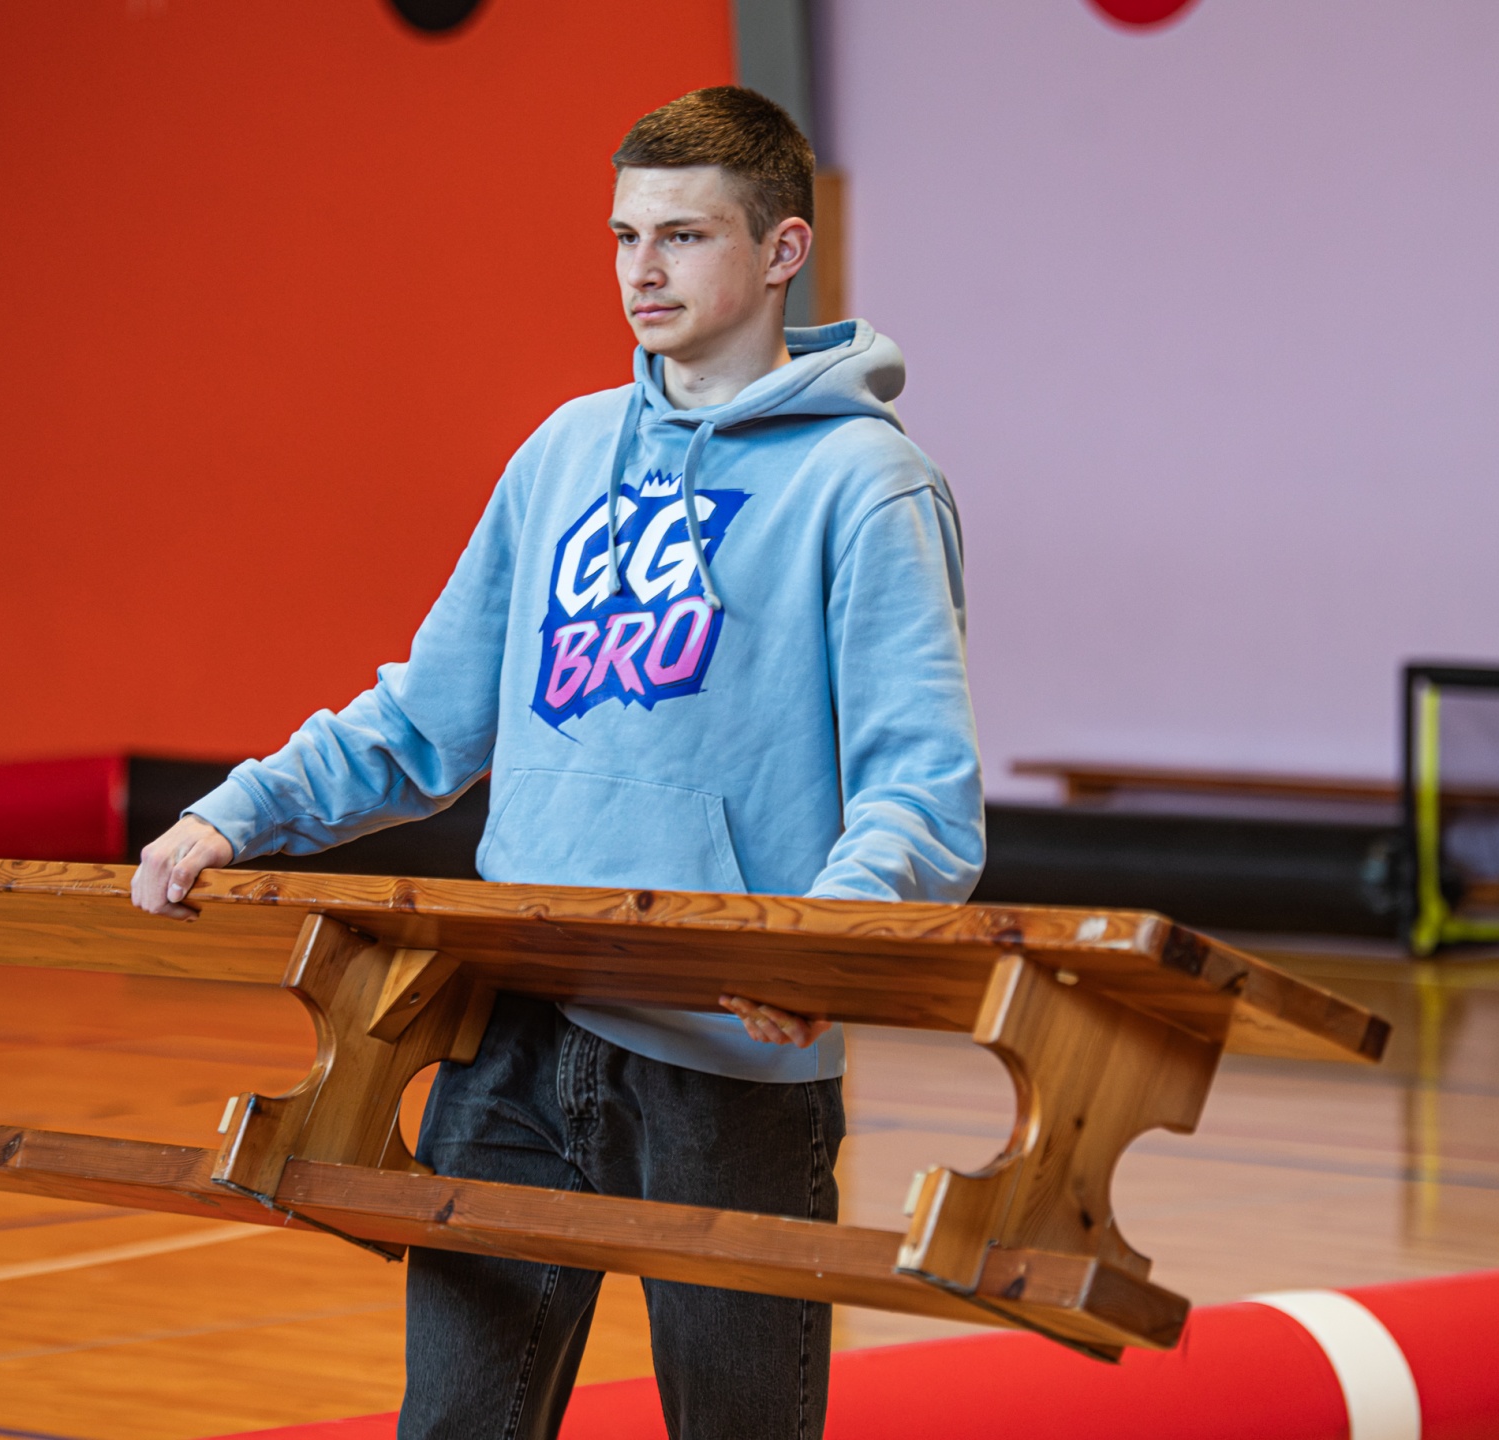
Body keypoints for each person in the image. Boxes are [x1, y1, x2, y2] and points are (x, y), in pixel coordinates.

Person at [130, 85, 984, 1440]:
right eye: (624, 235)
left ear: (783, 250)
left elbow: (920, 792)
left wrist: (822, 949)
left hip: (728, 1059)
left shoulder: (867, 485)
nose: (643, 270)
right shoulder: (563, 453)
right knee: (456, 1424)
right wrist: (244, 811)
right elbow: (426, 719)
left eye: (685, 236)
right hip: (513, 1027)